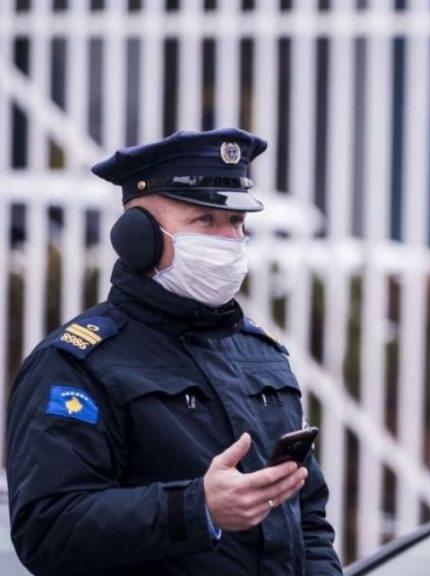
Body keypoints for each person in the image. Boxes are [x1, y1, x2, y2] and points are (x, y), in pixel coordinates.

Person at [5, 128, 343, 575]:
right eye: (205, 220)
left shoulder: (260, 354)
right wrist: (196, 508)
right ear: (138, 237)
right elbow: (48, 529)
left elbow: (307, 518)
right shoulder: (76, 364)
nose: (228, 238)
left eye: (236, 223)